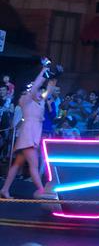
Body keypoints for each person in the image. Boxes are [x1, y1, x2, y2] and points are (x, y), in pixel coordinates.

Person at [1, 65, 54, 199]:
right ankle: (42, 191)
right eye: (37, 91)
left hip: (31, 135)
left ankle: (5, 189)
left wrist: (54, 77)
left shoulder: (40, 101)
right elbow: (36, 86)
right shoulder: (25, 100)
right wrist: (43, 72)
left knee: (17, 164)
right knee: (34, 166)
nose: (39, 93)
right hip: (28, 136)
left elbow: (49, 90)